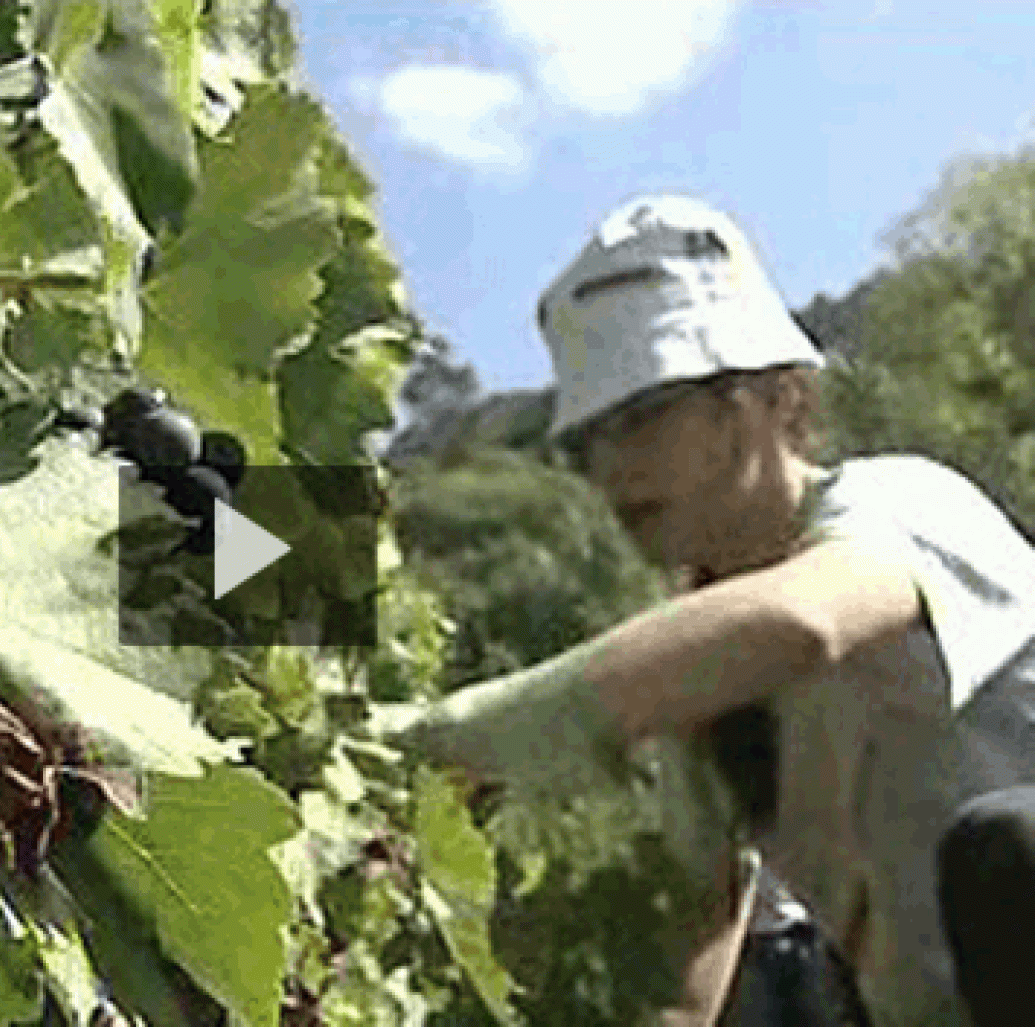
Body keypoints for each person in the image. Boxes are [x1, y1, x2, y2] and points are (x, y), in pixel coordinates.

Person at [369, 194, 1035, 1027]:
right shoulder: (712, 694)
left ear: (779, 400)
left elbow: (801, 622)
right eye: (590, 439)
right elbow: (693, 955)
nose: (613, 465)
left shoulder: (906, 504)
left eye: (645, 417)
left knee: (1007, 848)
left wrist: (459, 731)